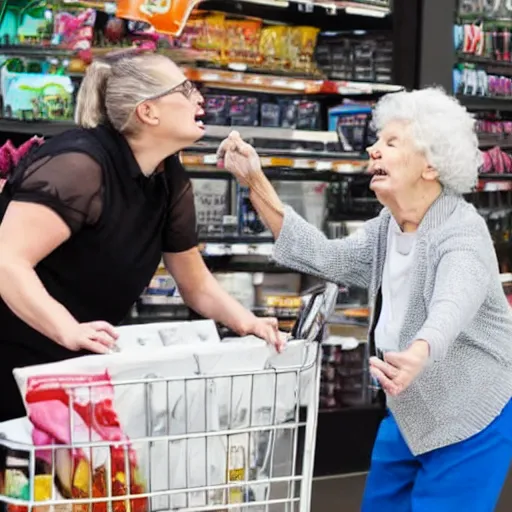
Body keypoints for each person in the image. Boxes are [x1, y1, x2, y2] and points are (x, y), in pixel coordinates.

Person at [217, 87, 512, 512]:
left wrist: (420, 350)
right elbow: (321, 255)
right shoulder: (387, 226)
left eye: (391, 143)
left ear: (431, 165)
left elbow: (454, 301)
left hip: (472, 413)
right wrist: (254, 179)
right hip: (410, 409)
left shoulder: (461, 230)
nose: (373, 149)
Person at [0, 51, 285, 423]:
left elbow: (193, 280)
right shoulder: (79, 165)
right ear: (148, 112)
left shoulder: (167, 176)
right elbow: (7, 260)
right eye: (184, 89)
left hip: (71, 360)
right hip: (13, 350)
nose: (199, 98)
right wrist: (66, 328)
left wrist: (248, 322)